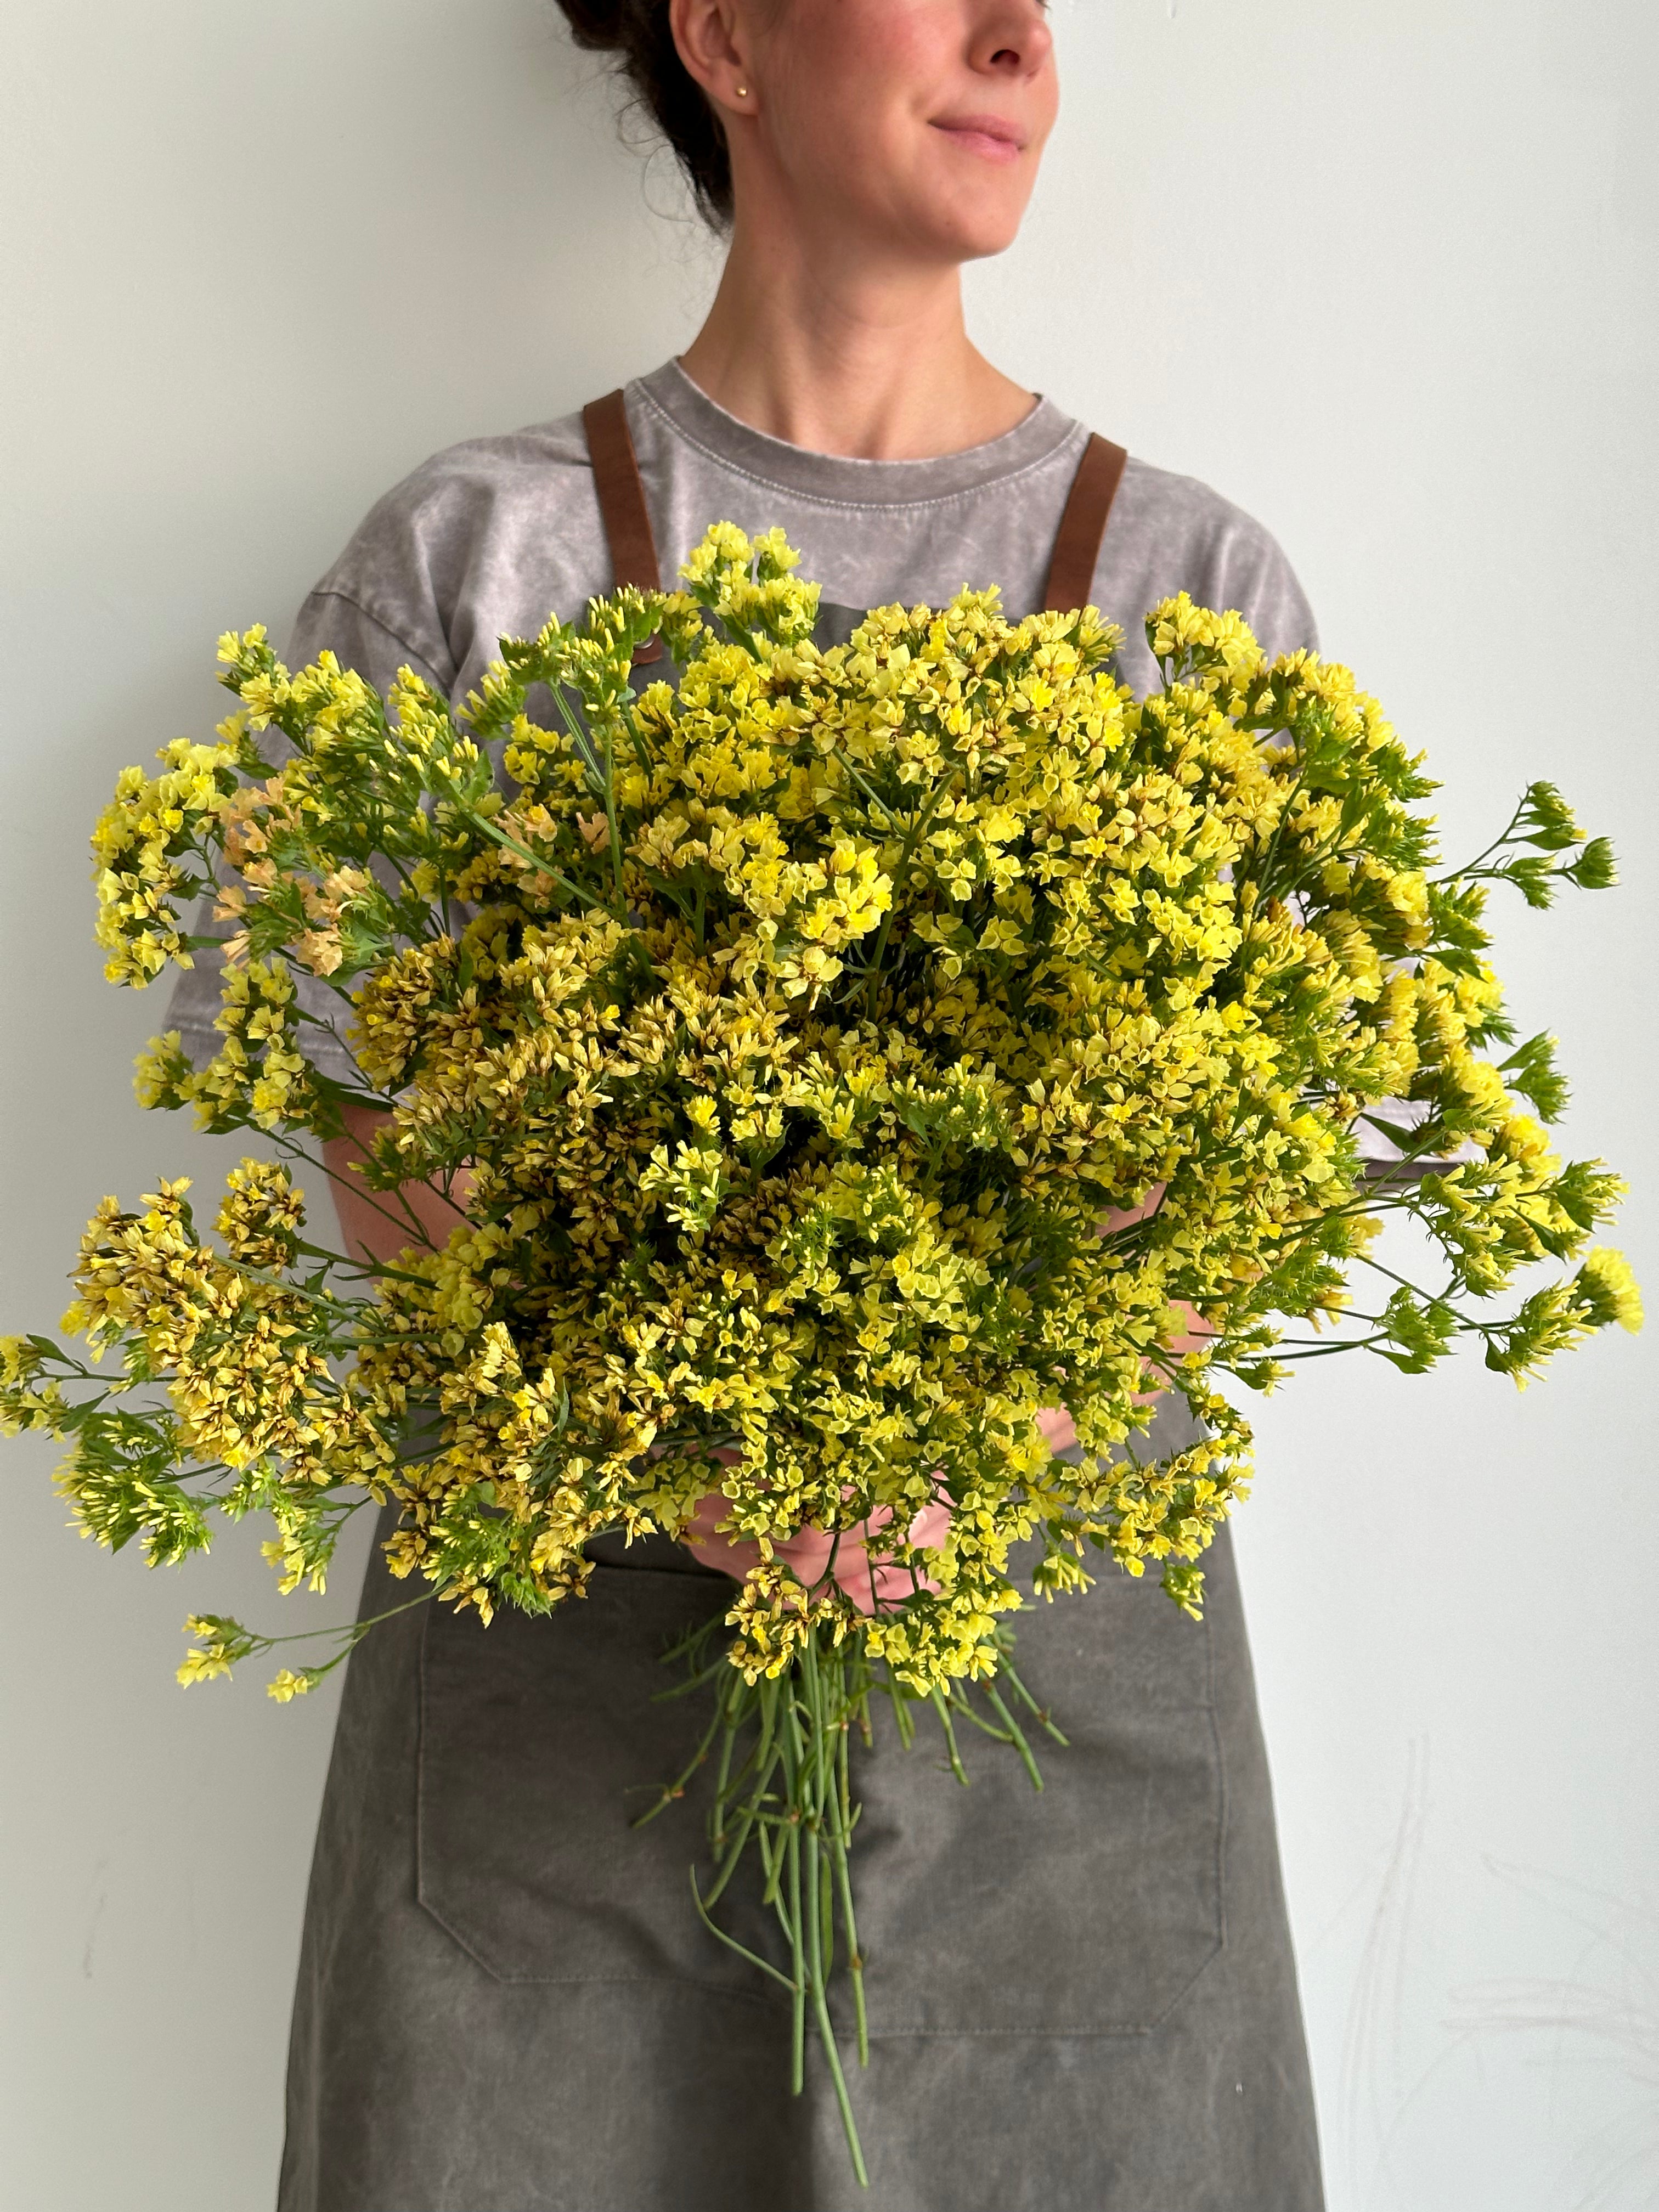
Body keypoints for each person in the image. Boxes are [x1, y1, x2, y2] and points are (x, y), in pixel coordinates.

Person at [166, 1, 1327, 2204]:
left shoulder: (1195, 594)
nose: (1019, 39)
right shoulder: (479, 562)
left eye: (1046, 3)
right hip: (555, 1744)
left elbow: (1255, 1195)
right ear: (725, 31)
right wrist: (667, 1439)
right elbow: (341, 1092)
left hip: (1065, 1749)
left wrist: (991, 1444)